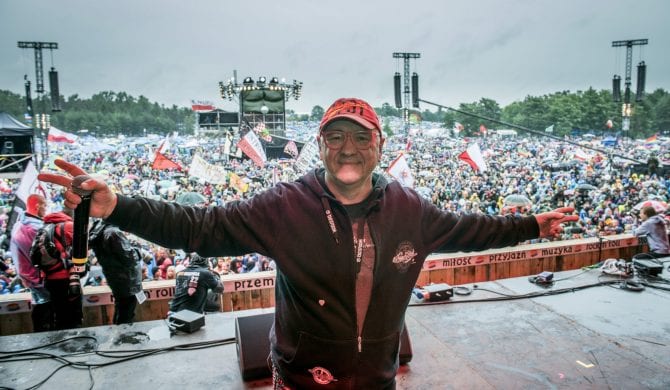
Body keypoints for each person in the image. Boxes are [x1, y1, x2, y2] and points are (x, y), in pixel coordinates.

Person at [38, 97, 577, 389]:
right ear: (320, 146)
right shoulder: (283, 207)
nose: (349, 148)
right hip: (301, 379)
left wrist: (532, 224)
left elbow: (470, 231)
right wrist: (119, 207)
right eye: (335, 136)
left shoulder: (410, 209)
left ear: (378, 145)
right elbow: (199, 227)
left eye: (361, 136)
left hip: (377, 378)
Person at [88, 219, 144, 324]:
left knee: (121, 310)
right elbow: (129, 258)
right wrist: (137, 249)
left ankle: (119, 334)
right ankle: (123, 337)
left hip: (117, 279)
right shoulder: (113, 233)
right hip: (126, 281)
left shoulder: (100, 232)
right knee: (126, 314)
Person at [8, 194, 49, 331]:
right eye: (45, 205)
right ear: (38, 206)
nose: (46, 209)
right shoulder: (34, 229)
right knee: (47, 314)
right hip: (40, 279)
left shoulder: (19, 225)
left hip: (30, 278)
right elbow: (44, 258)